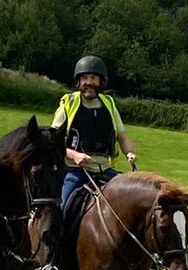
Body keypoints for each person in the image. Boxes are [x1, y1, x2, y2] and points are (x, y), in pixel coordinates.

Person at [52, 54, 138, 222]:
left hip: (104, 170)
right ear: (78, 81)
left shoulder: (109, 104)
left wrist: (129, 152)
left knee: (132, 199)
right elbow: (53, 140)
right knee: (60, 211)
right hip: (74, 170)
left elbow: (122, 135)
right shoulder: (68, 103)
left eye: (93, 78)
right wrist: (75, 155)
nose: (88, 82)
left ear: (101, 82)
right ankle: (53, 247)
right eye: (84, 78)